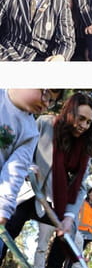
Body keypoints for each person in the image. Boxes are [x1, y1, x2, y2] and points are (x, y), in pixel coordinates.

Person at [0, 92, 92, 268]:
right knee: (9, 227)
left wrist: (69, 216)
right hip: (32, 192)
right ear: (70, 112)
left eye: (88, 122)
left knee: (66, 236)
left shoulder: (85, 147)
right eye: (81, 119)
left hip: (59, 204)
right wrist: (30, 167)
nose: (84, 126)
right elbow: (25, 147)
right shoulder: (45, 124)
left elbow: (81, 187)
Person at [0, 89, 61, 226]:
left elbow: (15, 170)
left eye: (51, 101)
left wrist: (3, 208)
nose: (46, 103)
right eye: (46, 94)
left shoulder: (31, 132)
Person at [73, 186, 92, 268]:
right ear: (88, 193)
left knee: (81, 251)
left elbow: (91, 218)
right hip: (80, 229)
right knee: (76, 250)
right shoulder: (82, 203)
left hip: (89, 231)